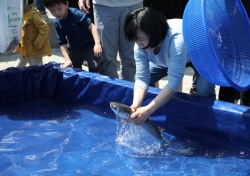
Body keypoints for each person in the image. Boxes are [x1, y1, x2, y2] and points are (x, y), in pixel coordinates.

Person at [124, 7, 188, 124]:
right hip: (166, 60)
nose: (138, 44)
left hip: (197, 57)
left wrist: (148, 110)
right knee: (150, 77)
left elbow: (174, 81)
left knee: (205, 89)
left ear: (153, 32)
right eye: (135, 40)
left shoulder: (177, 40)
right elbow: (142, 78)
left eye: (141, 39)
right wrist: (135, 105)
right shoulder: (139, 46)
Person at [78, 0, 143, 82]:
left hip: (134, 4)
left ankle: (130, 92)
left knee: (131, 59)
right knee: (107, 59)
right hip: (104, 5)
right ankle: (111, 92)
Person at [43, 0, 102, 72]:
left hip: (89, 46)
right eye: (52, 11)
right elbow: (62, 43)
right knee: (74, 68)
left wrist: (97, 43)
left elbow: (92, 27)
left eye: (59, 9)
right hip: (75, 49)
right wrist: (67, 59)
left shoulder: (76, 14)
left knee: (94, 67)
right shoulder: (57, 23)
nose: (57, 13)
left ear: (66, 4)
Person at [15, 0, 52, 68]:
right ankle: (13, 76)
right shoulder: (22, 14)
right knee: (18, 66)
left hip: (34, 49)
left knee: (36, 68)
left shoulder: (34, 15)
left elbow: (44, 28)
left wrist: (38, 43)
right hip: (25, 47)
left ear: (26, 3)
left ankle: (39, 78)